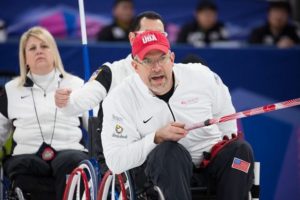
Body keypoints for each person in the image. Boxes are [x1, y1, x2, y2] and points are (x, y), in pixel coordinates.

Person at [101, 30, 254, 200]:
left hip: (208, 165)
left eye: (162, 58)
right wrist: (156, 138)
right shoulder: (119, 98)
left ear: (172, 58)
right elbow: (115, 161)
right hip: (159, 172)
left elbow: (226, 117)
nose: (156, 67)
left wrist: (224, 141)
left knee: (240, 150)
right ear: (135, 66)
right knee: (169, 150)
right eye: (147, 61)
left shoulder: (202, 76)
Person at [0, 26, 89, 200]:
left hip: (69, 152)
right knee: (25, 165)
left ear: (54, 53)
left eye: (44, 46)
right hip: (27, 157)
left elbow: (96, 127)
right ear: (25, 58)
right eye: (32, 48)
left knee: (71, 161)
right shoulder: (10, 91)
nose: (39, 51)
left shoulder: (77, 85)